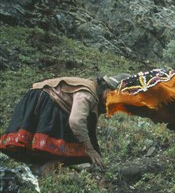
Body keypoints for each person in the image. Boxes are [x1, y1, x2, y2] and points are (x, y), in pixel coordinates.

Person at [0, 74, 129, 174]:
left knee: (79, 134)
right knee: (69, 131)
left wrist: (92, 149)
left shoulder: (95, 97)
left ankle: (46, 165)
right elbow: (76, 122)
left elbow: (89, 128)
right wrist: (89, 149)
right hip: (45, 101)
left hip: (52, 103)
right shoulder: (87, 94)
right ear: (106, 89)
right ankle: (46, 166)